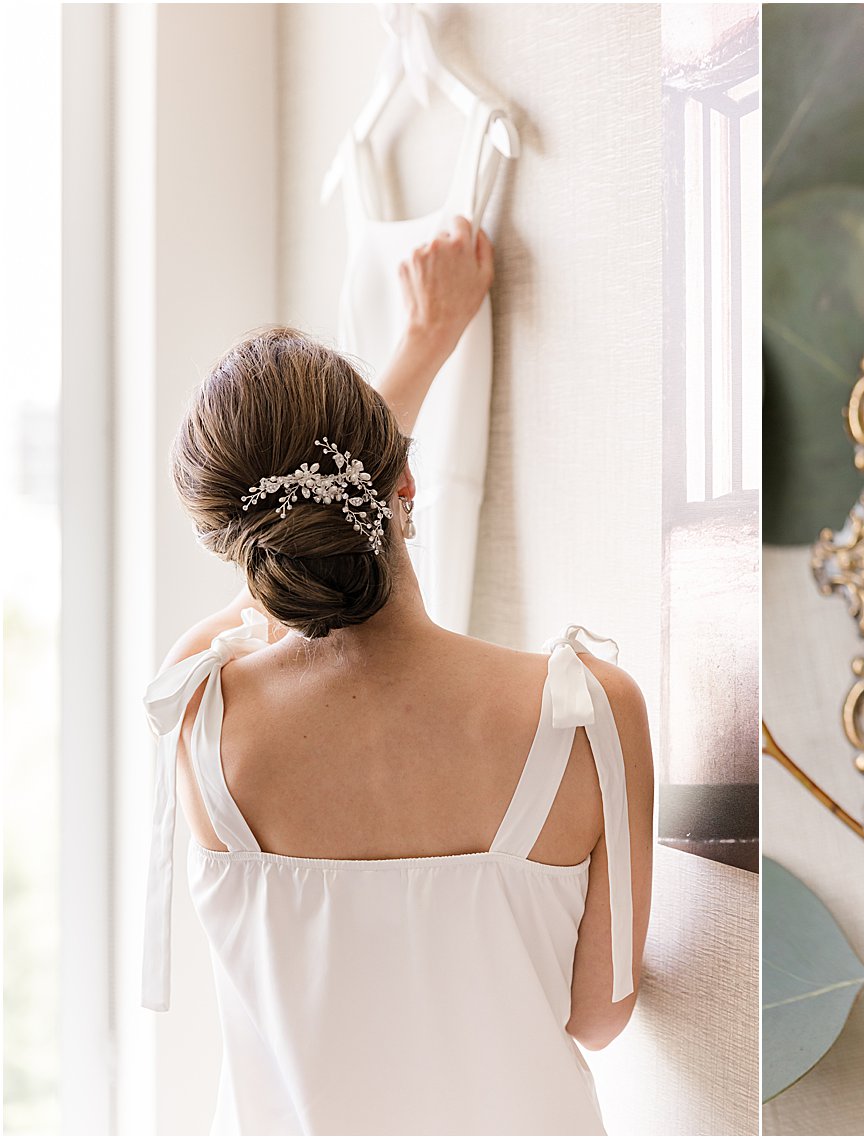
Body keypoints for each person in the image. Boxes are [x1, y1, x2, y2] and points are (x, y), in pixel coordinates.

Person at [140, 216, 654, 1135]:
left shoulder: (200, 706)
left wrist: (415, 358)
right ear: (404, 487)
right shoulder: (589, 714)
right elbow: (598, 1014)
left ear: (238, 546)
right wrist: (421, 356)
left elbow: (279, 583)